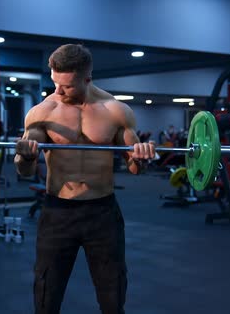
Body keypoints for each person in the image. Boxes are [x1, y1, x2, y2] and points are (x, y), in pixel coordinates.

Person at [14, 44, 155, 314]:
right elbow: (25, 171)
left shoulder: (116, 111)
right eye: (54, 82)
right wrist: (27, 156)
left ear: (87, 79)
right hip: (58, 212)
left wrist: (141, 157)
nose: (57, 91)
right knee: (46, 297)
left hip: (102, 213)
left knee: (113, 297)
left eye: (65, 86)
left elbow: (136, 169)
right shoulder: (41, 112)